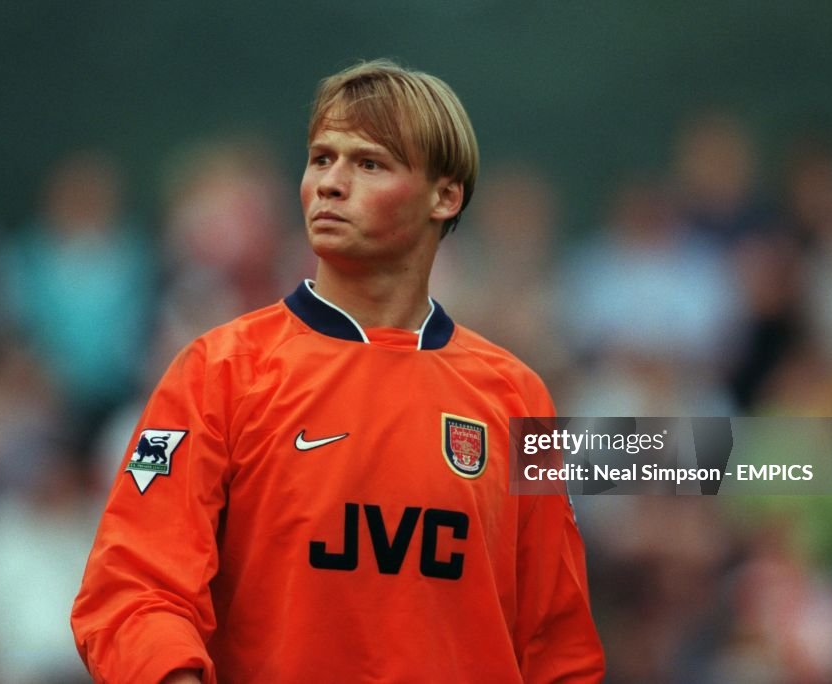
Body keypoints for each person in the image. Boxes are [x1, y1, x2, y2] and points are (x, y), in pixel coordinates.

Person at [71, 59, 604, 683]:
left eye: (368, 163)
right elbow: (133, 588)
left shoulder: (518, 394)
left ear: (445, 195)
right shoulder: (218, 372)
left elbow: (556, 642)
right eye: (322, 158)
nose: (330, 182)